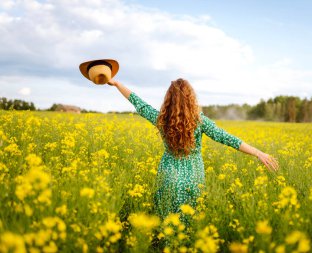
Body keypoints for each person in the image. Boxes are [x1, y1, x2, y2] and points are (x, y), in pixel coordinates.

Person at [108, 78, 279, 219]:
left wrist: (117, 84)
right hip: (193, 176)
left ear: (168, 100)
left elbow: (139, 103)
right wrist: (258, 152)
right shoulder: (199, 121)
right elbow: (227, 138)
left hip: (168, 174)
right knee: (190, 221)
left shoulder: (161, 119)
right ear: (191, 99)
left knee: (167, 221)